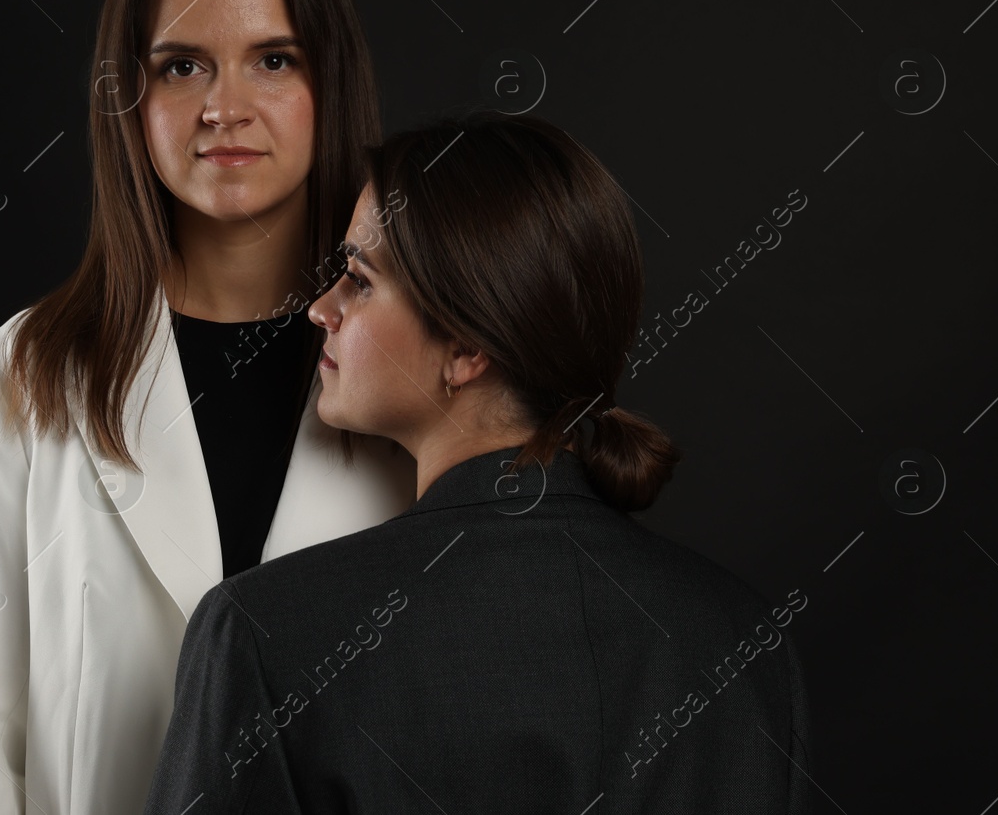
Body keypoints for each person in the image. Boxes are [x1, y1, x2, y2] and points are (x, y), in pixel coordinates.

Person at [141, 111, 815, 813]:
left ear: (467, 348)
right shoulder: (743, 640)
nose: (322, 308)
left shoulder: (267, 635)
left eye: (360, 280)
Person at [0, 0, 416, 814]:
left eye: (273, 60)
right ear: (128, 96)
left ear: (330, 83)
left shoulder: (418, 363)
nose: (224, 108)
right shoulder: (19, 376)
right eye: (183, 66)